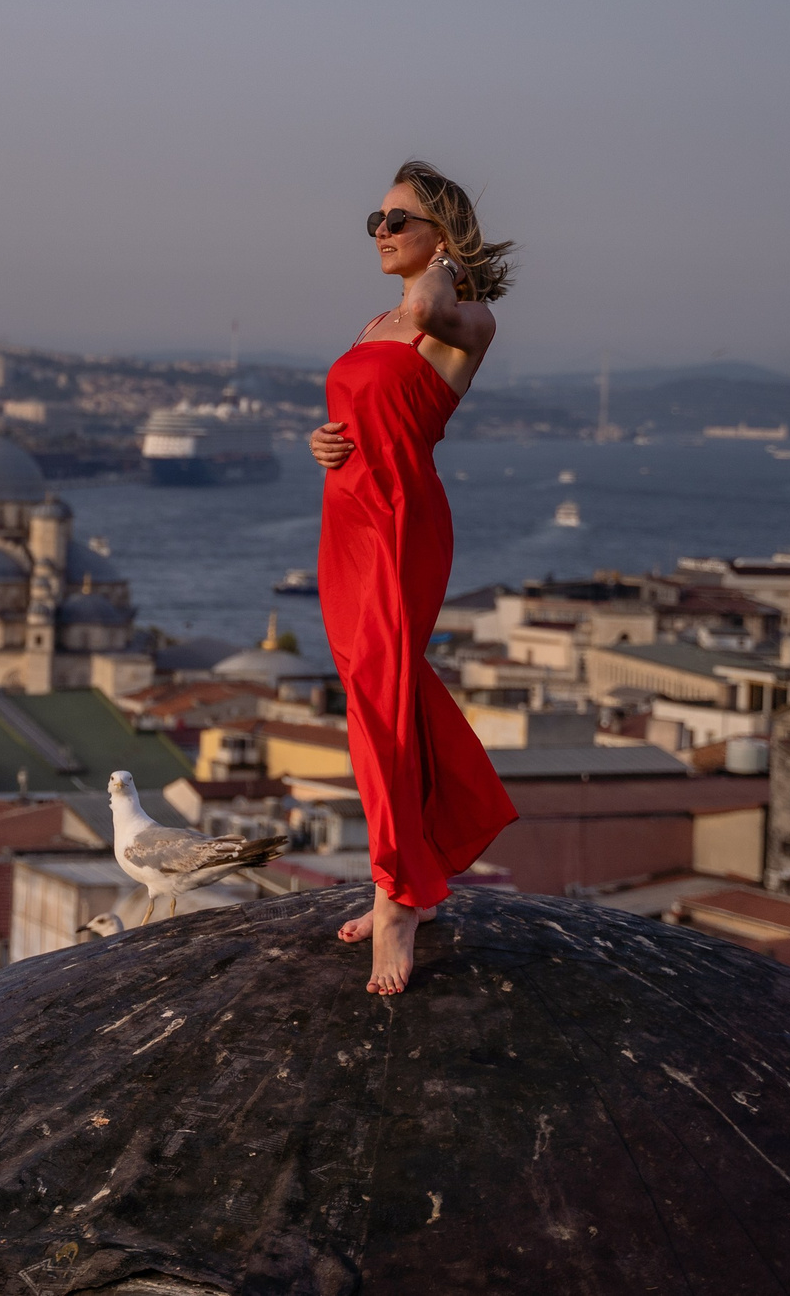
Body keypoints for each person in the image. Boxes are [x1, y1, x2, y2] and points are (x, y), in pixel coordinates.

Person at [310, 161, 519, 994]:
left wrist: (445, 267)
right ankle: (413, 871)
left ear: (443, 234)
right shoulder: (372, 323)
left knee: (389, 692)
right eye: (375, 218)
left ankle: (399, 893)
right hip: (345, 518)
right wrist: (324, 444)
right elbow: (356, 412)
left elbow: (430, 311)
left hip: (402, 521)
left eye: (398, 219)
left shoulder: (464, 317)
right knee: (370, 695)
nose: (380, 232)